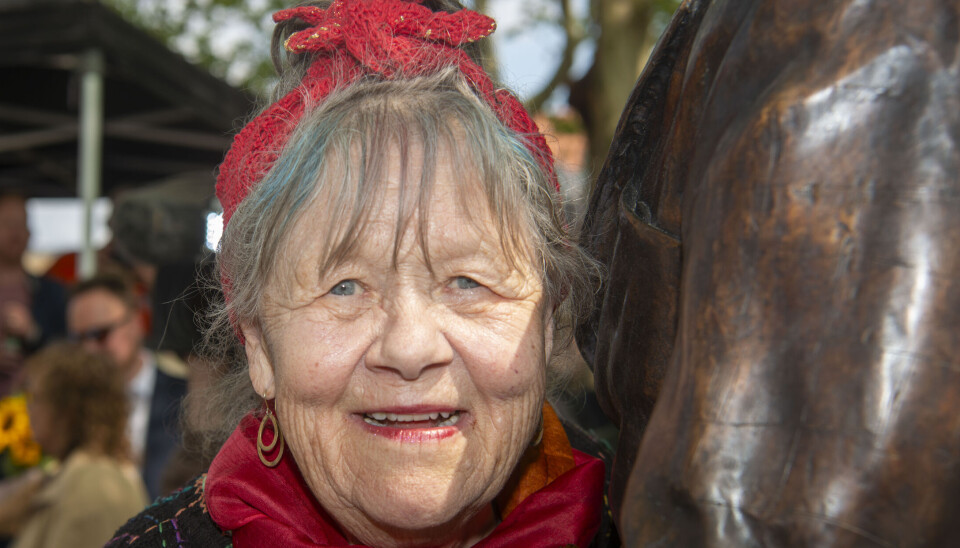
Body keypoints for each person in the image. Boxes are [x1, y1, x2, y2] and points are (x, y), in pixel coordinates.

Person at [108, 0, 615, 546]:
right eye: (345, 287)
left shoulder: (647, 520)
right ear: (258, 348)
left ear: (545, 324)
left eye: (468, 282)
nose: (410, 348)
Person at [0, 342, 147, 548]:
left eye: (36, 397)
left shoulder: (90, 486)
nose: (29, 408)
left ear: (66, 410)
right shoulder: (77, 474)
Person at [66, 275, 186, 501]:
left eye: (99, 334)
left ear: (137, 322)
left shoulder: (185, 397)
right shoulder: (66, 408)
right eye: (77, 339)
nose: (88, 350)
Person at [0, 192, 67, 398]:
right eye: (8, 223)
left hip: (37, 407)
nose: (15, 232)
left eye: (21, 224)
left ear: (30, 233)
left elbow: (69, 351)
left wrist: (33, 333)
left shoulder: (52, 292)